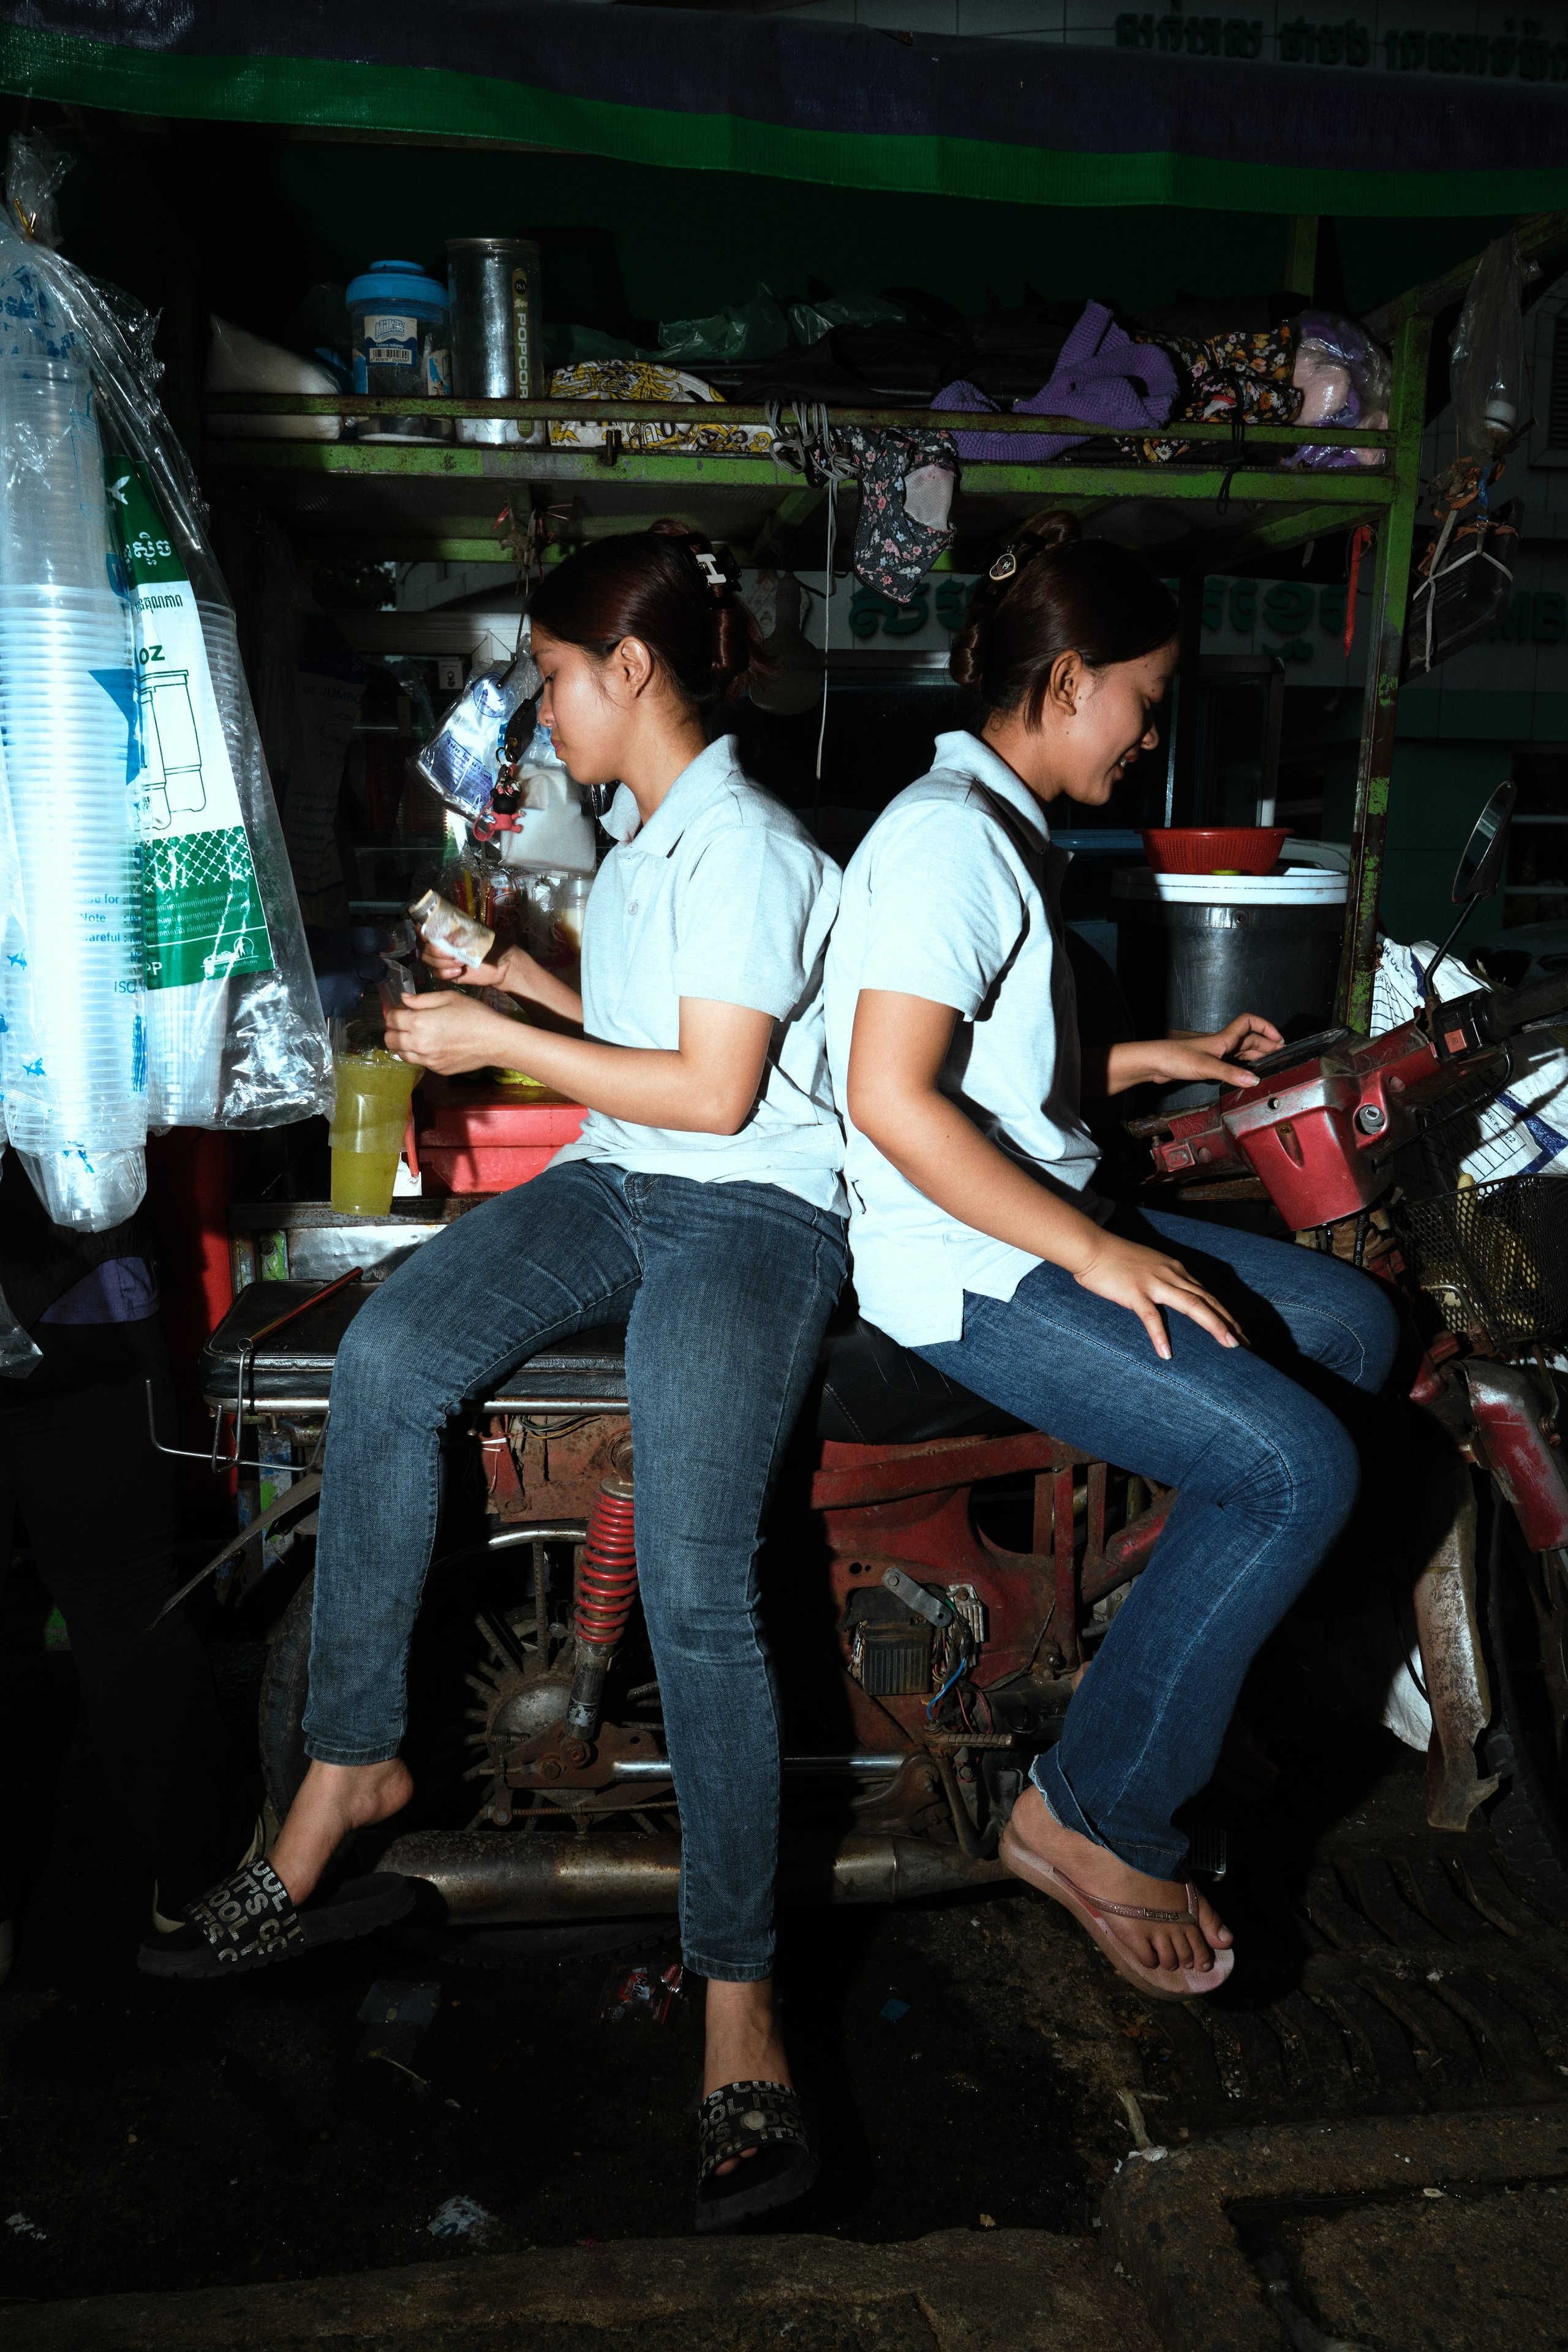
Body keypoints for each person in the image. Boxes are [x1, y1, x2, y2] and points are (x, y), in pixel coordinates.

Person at [156, 523, 847, 2228]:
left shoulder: (751, 842)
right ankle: (348, 1771)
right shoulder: (649, 835)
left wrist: (503, 1039)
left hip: (748, 1208)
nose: (541, 712)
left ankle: (741, 2009)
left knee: (696, 1578)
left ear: (630, 669)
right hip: (623, 1177)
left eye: (551, 677)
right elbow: (647, 1035)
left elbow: (719, 1094)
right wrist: (516, 978)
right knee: (390, 1355)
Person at [824, 512, 1399, 2001]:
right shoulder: (946, 841)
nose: (1149, 733)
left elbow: (989, 1068)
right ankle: (1089, 1812)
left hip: (1031, 1210)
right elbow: (889, 1097)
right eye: (1142, 699)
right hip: (964, 1263)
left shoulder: (996, 822)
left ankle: (1171, 1671)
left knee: (1348, 1329)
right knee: (1293, 1470)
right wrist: (1093, 1252)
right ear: (1070, 678)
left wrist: (1157, 1056)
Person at [0, 1153, 254, 1990]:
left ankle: (201, 1871)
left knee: (123, 1605)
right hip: (68, 1278)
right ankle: (203, 1880)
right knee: (121, 1603)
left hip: (67, 1276)